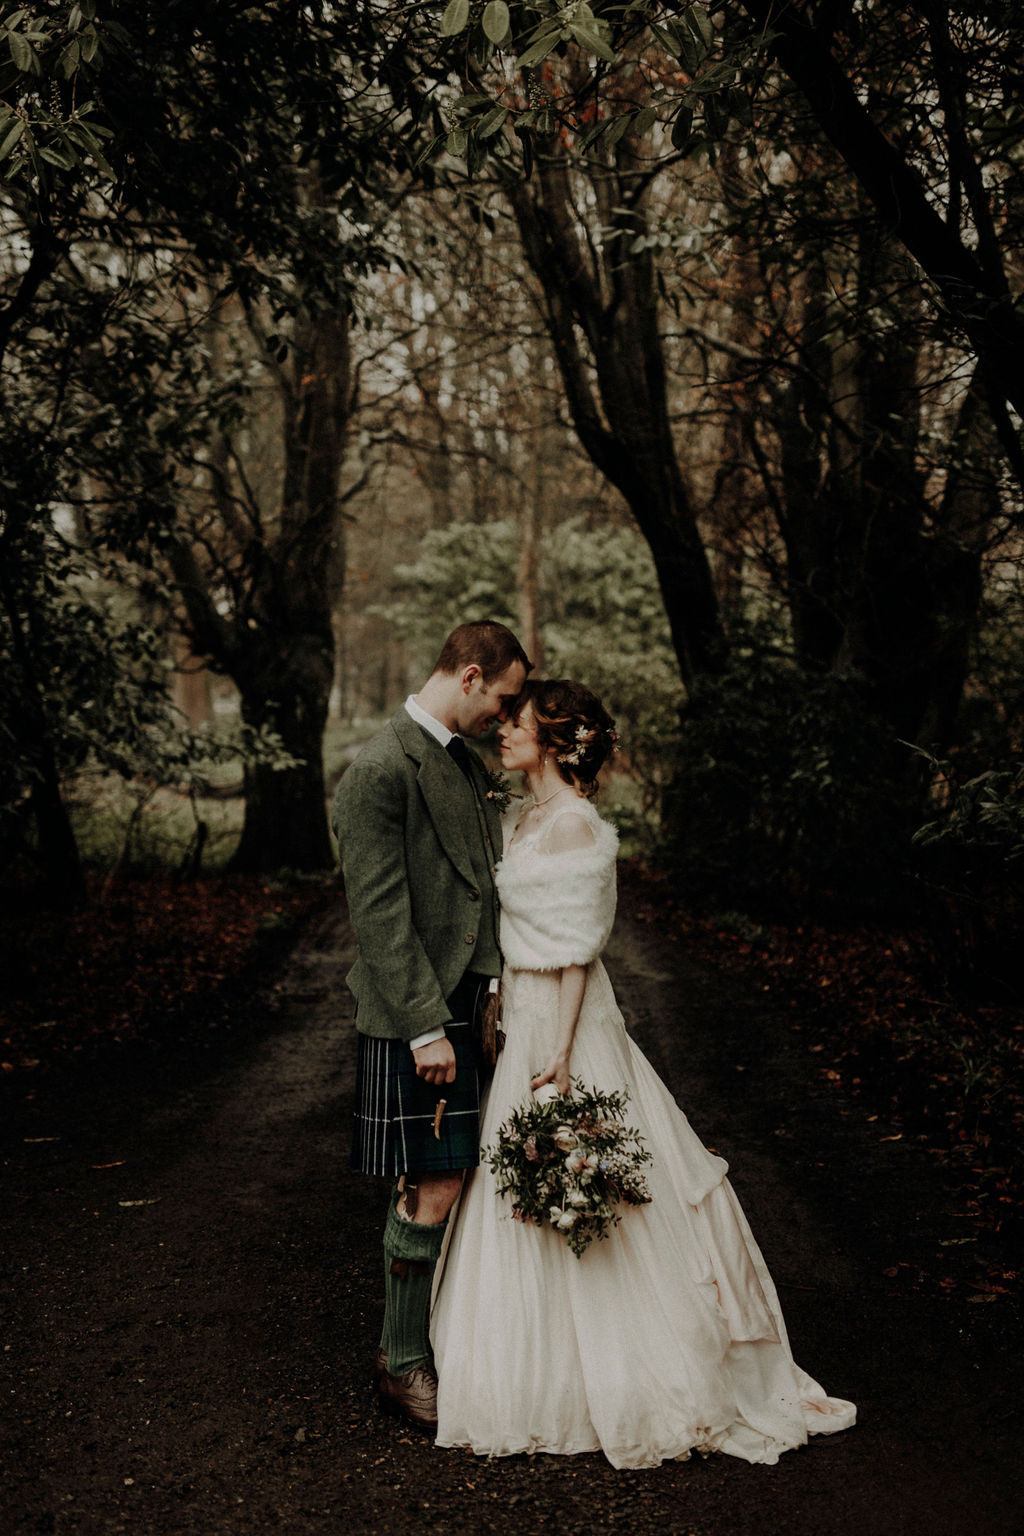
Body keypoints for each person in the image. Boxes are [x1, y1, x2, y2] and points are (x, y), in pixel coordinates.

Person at [430, 678, 856, 1469]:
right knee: (527, 1189)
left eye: (517, 723)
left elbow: (573, 951)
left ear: (555, 741)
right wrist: (496, 1003)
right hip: (521, 1013)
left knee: (585, 1176)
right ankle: (538, 1372)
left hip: (562, 1026)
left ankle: (633, 1374)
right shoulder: (521, 817)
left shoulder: (574, 828)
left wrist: (556, 1056)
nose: (504, 731)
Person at [331, 621, 530, 1430]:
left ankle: (430, 1340)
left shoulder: (469, 762)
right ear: (473, 675)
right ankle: (401, 1363)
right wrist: (424, 1028)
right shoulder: (380, 769)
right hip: (422, 1015)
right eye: (506, 700)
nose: (507, 716)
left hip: (473, 1010)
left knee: (464, 1179)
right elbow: (378, 914)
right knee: (434, 1183)